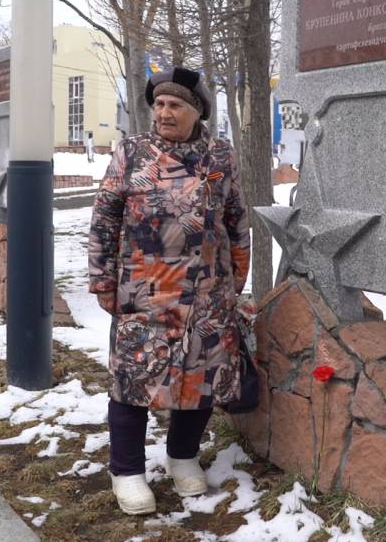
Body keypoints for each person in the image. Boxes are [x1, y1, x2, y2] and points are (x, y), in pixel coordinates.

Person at [88, 65, 250, 515]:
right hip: (144, 291)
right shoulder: (131, 153)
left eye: (175, 104)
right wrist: (102, 280)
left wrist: (235, 279)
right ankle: (127, 471)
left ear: (197, 110)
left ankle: (183, 457)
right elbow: (104, 219)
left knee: (200, 377)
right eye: (158, 104)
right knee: (133, 380)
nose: (163, 112)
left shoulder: (220, 156)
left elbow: (236, 220)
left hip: (206, 292)